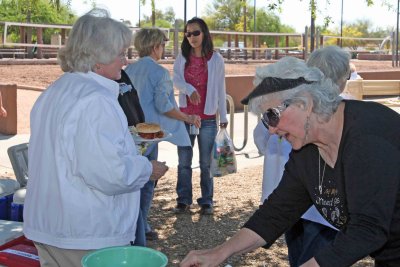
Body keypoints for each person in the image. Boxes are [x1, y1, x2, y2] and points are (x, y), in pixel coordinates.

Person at [180, 56, 400, 267]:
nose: (272, 129)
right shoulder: (307, 149)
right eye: (266, 121)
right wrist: (218, 253)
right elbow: (277, 212)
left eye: (272, 116)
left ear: (306, 103)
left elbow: (367, 229)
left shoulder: (367, 137)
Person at [23, 9, 168, 267]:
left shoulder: (56, 90)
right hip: (86, 232)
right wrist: (148, 169)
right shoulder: (96, 100)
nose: (125, 62)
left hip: (52, 227)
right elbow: (109, 173)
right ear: (97, 59)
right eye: (120, 54)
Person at [125, 28, 201, 238]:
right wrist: (187, 118)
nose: (163, 48)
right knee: (147, 182)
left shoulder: (128, 70)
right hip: (150, 136)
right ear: (154, 46)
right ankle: (142, 226)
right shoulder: (158, 73)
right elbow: (163, 106)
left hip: (131, 134)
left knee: (132, 181)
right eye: (162, 44)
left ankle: (134, 224)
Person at [173, 17, 228, 215]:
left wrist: (224, 117)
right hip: (186, 118)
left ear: (204, 33)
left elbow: (221, 88)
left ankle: (207, 201)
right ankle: (183, 200)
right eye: (188, 34)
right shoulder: (182, 56)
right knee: (184, 162)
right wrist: (188, 89)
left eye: (196, 32)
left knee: (206, 163)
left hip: (207, 118)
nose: (192, 37)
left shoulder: (216, 59)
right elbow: (176, 80)